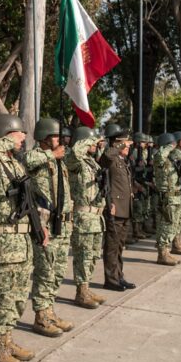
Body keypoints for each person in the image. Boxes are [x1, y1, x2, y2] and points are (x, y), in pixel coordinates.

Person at [0, 114, 43, 362]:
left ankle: (8, 338)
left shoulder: (14, 164)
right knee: (1, 296)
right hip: (2, 240)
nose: (24, 138)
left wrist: (38, 228)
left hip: (21, 239)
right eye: (19, 133)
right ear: (5, 134)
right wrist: (3, 141)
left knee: (17, 296)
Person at [25, 118, 75, 337]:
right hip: (45, 224)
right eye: (55, 136)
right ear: (44, 137)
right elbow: (25, 161)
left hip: (62, 224)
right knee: (45, 271)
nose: (60, 140)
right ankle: (41, 316)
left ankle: (50, 310)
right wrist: (50, 155)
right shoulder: (38, 156)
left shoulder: (59, 160)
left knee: (57, 271)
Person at [65, 126, 108, 309]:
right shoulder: (75, 161)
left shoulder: (92, 162)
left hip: (96, 216)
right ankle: (80, 292)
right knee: (83, 255)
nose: (95, 145)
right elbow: (74, 154)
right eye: (92, 142)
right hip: (83, 216)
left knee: (92, 255)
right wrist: (89, 140)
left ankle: (86, 287)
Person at [100, 124, 135, 291]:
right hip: (115, 208)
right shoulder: (111, 158)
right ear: (117, 144)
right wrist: (119, 145)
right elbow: (105, 158)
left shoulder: (121, 161)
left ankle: (119, 276)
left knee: (119, 246)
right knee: (112, 246)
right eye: (125, 145)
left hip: (124, 208)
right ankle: (111, 279)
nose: (128, 147)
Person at [152, 133, 181, 266]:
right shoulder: (160, 158)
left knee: (173, 225)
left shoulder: (171, 159)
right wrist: (169, 146)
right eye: (172, 144)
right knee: (165, 225)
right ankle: (162, 254)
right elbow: (159, 156)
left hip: (175, 196)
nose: (174, 147)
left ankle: (167, 252)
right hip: (167, 198)